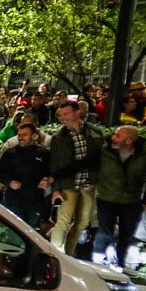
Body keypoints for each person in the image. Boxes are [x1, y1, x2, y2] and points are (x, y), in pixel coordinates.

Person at [94, 125, 146, 270]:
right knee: (105, 231)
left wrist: (145, 199)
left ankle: (119, 262)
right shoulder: (104, 151)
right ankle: (97, 260)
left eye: (117, 136)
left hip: (131, 201)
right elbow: (91, 167)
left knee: (126, 234)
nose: (113, 138)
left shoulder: (145, 155)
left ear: (128, 141)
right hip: (107, 198)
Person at [43, 100, 104, 256]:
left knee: (83, 222)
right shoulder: (59, 137)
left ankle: (68, 255)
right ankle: (55, 255)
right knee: (64, 220)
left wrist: (95, 179)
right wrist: (55, 189)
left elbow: (100, 160)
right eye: (61, 115)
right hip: (68, 184)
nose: (63, 118)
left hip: (88, 184)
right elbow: (54, 165)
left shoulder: (95, 133)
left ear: (77, 112)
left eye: (66, 114)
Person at [0, 122, 50, 227]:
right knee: (15, 231)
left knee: (32, 231)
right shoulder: (10, 153)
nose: (20, 138)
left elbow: (50, 172)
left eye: (24, 135)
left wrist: (47, 180)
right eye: (19, 135)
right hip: (13, 199)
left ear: (34, 136)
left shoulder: (44, 153)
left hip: (35, 199)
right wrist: (9, 183)